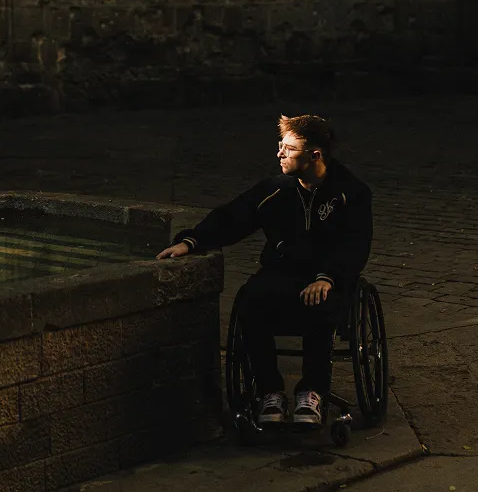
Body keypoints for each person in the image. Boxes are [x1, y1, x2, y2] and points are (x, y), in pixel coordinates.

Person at [156, 113, 372, 427]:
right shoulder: (277, 190)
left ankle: (311, 391)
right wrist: (191, 242)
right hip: (283, 273)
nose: (279, 154)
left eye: (288, 148)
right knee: (250, 299)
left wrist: (328, 277)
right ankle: (270, 390)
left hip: (328, 278)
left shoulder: (350, 193)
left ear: (315, 155)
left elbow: (355, 244)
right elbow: (233, 216)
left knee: (320, 303)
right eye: (280, 146)